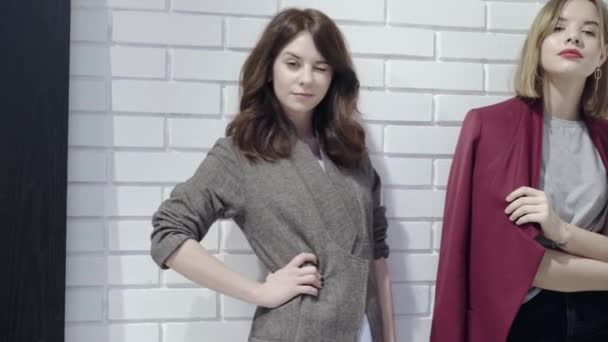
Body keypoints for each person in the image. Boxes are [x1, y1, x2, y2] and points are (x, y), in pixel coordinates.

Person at [150, 8, 396, 342]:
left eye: (320, 67)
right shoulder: (240, 153)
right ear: (269, 69)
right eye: (293, 64)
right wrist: (259, 292)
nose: (306, 78)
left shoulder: (350, 149)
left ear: (333, 77)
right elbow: (169, 232)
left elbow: (376, 256)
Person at [431, 0, 608, 341]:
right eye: (559, 27)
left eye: (589, 31)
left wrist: (561, 231)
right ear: (538, 41)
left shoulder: (604, 138)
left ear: (602, 55)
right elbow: (515, 264)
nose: (574, 38)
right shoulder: (490, 128)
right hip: (523, 321)